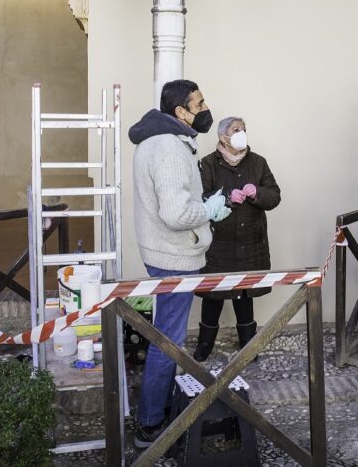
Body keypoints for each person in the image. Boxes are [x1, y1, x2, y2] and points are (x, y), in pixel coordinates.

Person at [127, 79, 231, 448]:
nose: (206, 109)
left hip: (164, 252)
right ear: (181, 112)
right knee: (167, 341)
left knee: (165, 336)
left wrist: (203, 205)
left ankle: (159, 412)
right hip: (173, 256)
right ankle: (150, 425)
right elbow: (175, 213)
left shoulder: (157, 141)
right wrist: (209, 210)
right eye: (199, 104)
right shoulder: (169, 147)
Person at [193, 116, 281, 362]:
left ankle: (248, 347)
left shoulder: (258, 162)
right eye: (236, 130)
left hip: (251, 243)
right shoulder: (208, 164)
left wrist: (258, 193)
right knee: (213, 297)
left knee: (245, 296)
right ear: (223, 137)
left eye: (244, 129)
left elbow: (275, 195)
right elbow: (199, 198)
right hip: (218, 245)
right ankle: (204, 346)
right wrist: (225, 197)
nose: (242, 133)